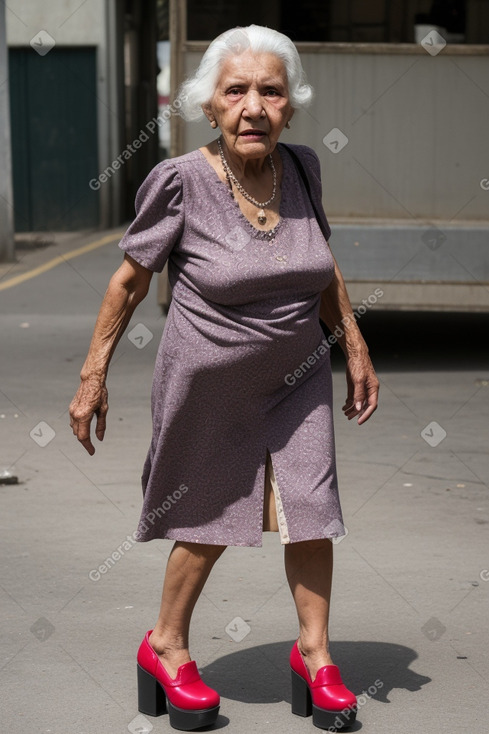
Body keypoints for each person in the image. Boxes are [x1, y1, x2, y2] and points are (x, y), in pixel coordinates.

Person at [69, 24, 379, 732]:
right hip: (209, 380)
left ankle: (315, 656)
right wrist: (93, 377)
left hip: (295, 375)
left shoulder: (300, 168)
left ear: (290, 106)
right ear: (207, 106)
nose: (253, 107)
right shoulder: (178, 181)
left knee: (311, 509)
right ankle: (165, 647)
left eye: (270, 91)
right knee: (206, 516)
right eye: (235, 91)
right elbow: (126, 282)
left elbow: (320, 262)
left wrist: (353, 343)